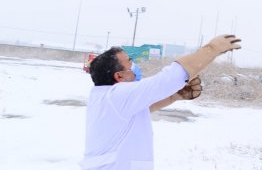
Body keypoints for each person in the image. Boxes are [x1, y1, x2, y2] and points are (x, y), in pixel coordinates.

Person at [79, 34, 241, 170]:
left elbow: (143, 108)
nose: (134, 64)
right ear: (119, 76)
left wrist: (175, 96)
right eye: (129, 61)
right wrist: (211, 50)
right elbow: (167, 80)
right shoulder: (118, 94)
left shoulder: (105, 97)